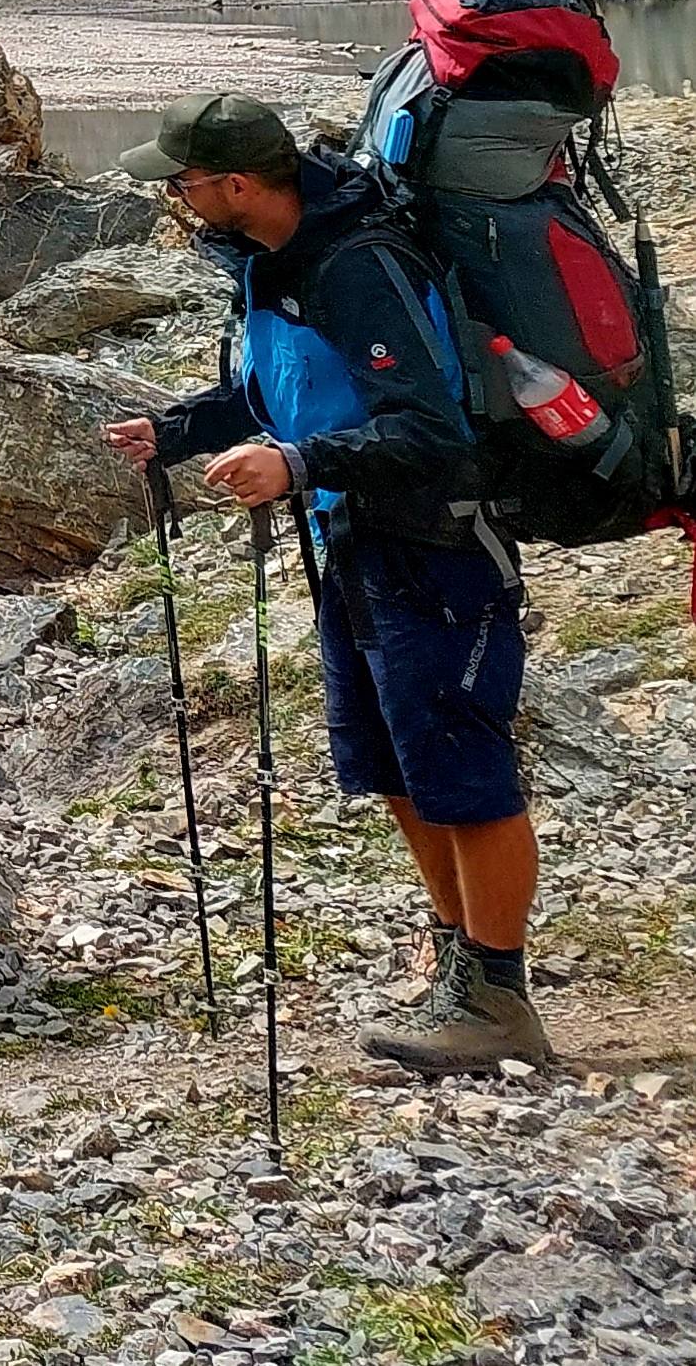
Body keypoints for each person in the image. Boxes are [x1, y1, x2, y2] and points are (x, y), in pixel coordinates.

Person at [99, 88, 534, 1069]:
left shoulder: (356, 265)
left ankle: (499, 998)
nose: (175, 196)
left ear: (239, 183)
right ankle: (460, 967)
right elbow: (267, 391)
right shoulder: (271, 265)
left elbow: (425, 428)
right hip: (360, 544)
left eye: (185, 181)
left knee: (462, 773)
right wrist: (172, 432)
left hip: (436, 546)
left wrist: (294, 466)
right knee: (396, 770)